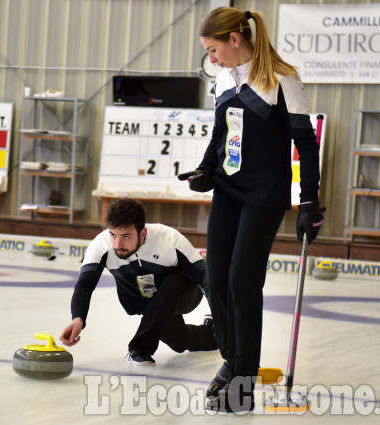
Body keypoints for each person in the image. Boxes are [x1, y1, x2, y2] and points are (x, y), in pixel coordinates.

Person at [178, 7, 325, 413]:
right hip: (228, 190)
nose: (212, 59)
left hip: (266, 194)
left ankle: (244, 381)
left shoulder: (282, 79)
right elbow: (220, 134)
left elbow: (306, 143)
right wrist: (206, 170)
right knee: (217, 279)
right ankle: (232, 360)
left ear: (235, 40)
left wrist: (309, 200)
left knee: (243, 280)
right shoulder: (223, 80)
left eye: (213, 49)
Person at [59, 198, 217, 366]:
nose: (118, 244)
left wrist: (225, 317)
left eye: (126, 236)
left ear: (142, 233)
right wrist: (78, 318)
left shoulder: (170, 240)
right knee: (179, 341)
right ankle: (213, 333)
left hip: (182, 295)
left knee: (174, 281)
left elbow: (207, 280)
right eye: (113, 235)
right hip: (143, 300)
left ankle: (139, 348)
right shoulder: (101, 245)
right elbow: (85, 284)